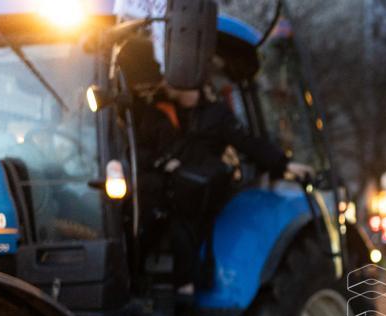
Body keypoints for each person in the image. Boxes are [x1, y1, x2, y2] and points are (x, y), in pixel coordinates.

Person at [117, 36, 313, 285]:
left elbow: (247, 142)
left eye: (170, 74)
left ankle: (186, 287)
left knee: (183, 224)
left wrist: (283, 164)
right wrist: (162, 163)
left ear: (186, 78)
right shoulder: (156, 114)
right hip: (162, 188)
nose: (163, 81)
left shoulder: (216, 116)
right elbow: (137, 150)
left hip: (195, 194)